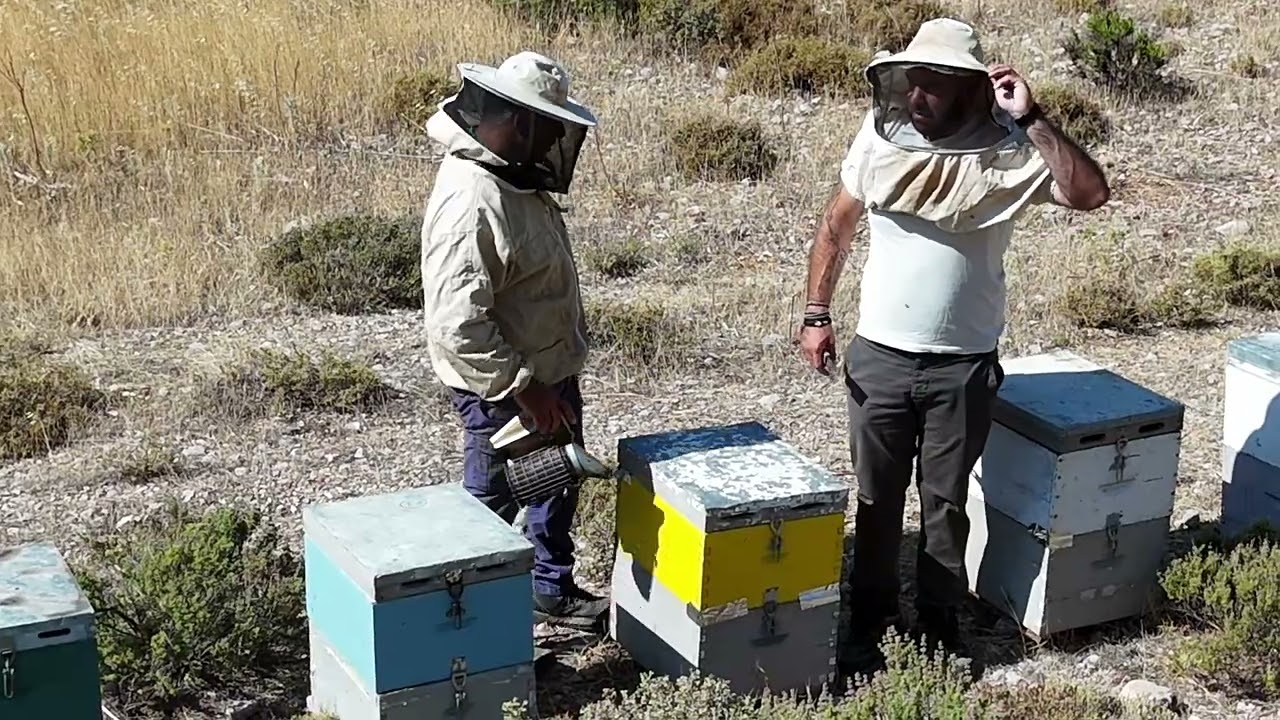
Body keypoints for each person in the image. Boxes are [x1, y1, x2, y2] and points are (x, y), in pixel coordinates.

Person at [796, 18, 1110, 676]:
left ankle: (940, 631)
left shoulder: (1013, 152)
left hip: (962, 365)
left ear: (970, 92)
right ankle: (868, 627)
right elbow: (836, 225)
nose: (916, 97)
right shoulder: (880, 138)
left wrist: (1036, 119)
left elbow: (1089, 193)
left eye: (934, 86)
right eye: (912, 83)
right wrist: (816, 314)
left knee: (944, 505)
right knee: (877, 502)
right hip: (880, 356)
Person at [419, 51, 609, 631]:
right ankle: (469, 630)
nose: (555, 138)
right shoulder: (472, 200)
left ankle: (547, 588)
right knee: (492, 506)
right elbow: (458, 325)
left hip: (541, 375)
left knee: (553, 478)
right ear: (518, 122)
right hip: (505, 388)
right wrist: (525, 391)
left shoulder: (509, 176)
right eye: (548, 126)